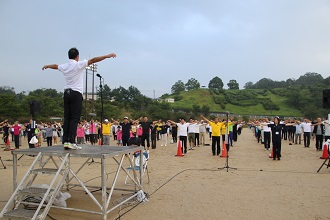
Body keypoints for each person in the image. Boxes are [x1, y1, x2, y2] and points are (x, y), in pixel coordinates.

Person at [42, 48, 116, 149]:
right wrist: (106, 56)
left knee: (67, 117)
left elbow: (55, 66)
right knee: (74, 118)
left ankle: (66, 141)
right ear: (77, 56)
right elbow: (93, 60)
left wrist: (47, 66)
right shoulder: (78, 64)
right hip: (76, 93)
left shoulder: (64, 66)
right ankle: (72, 141)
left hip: (66, 93)